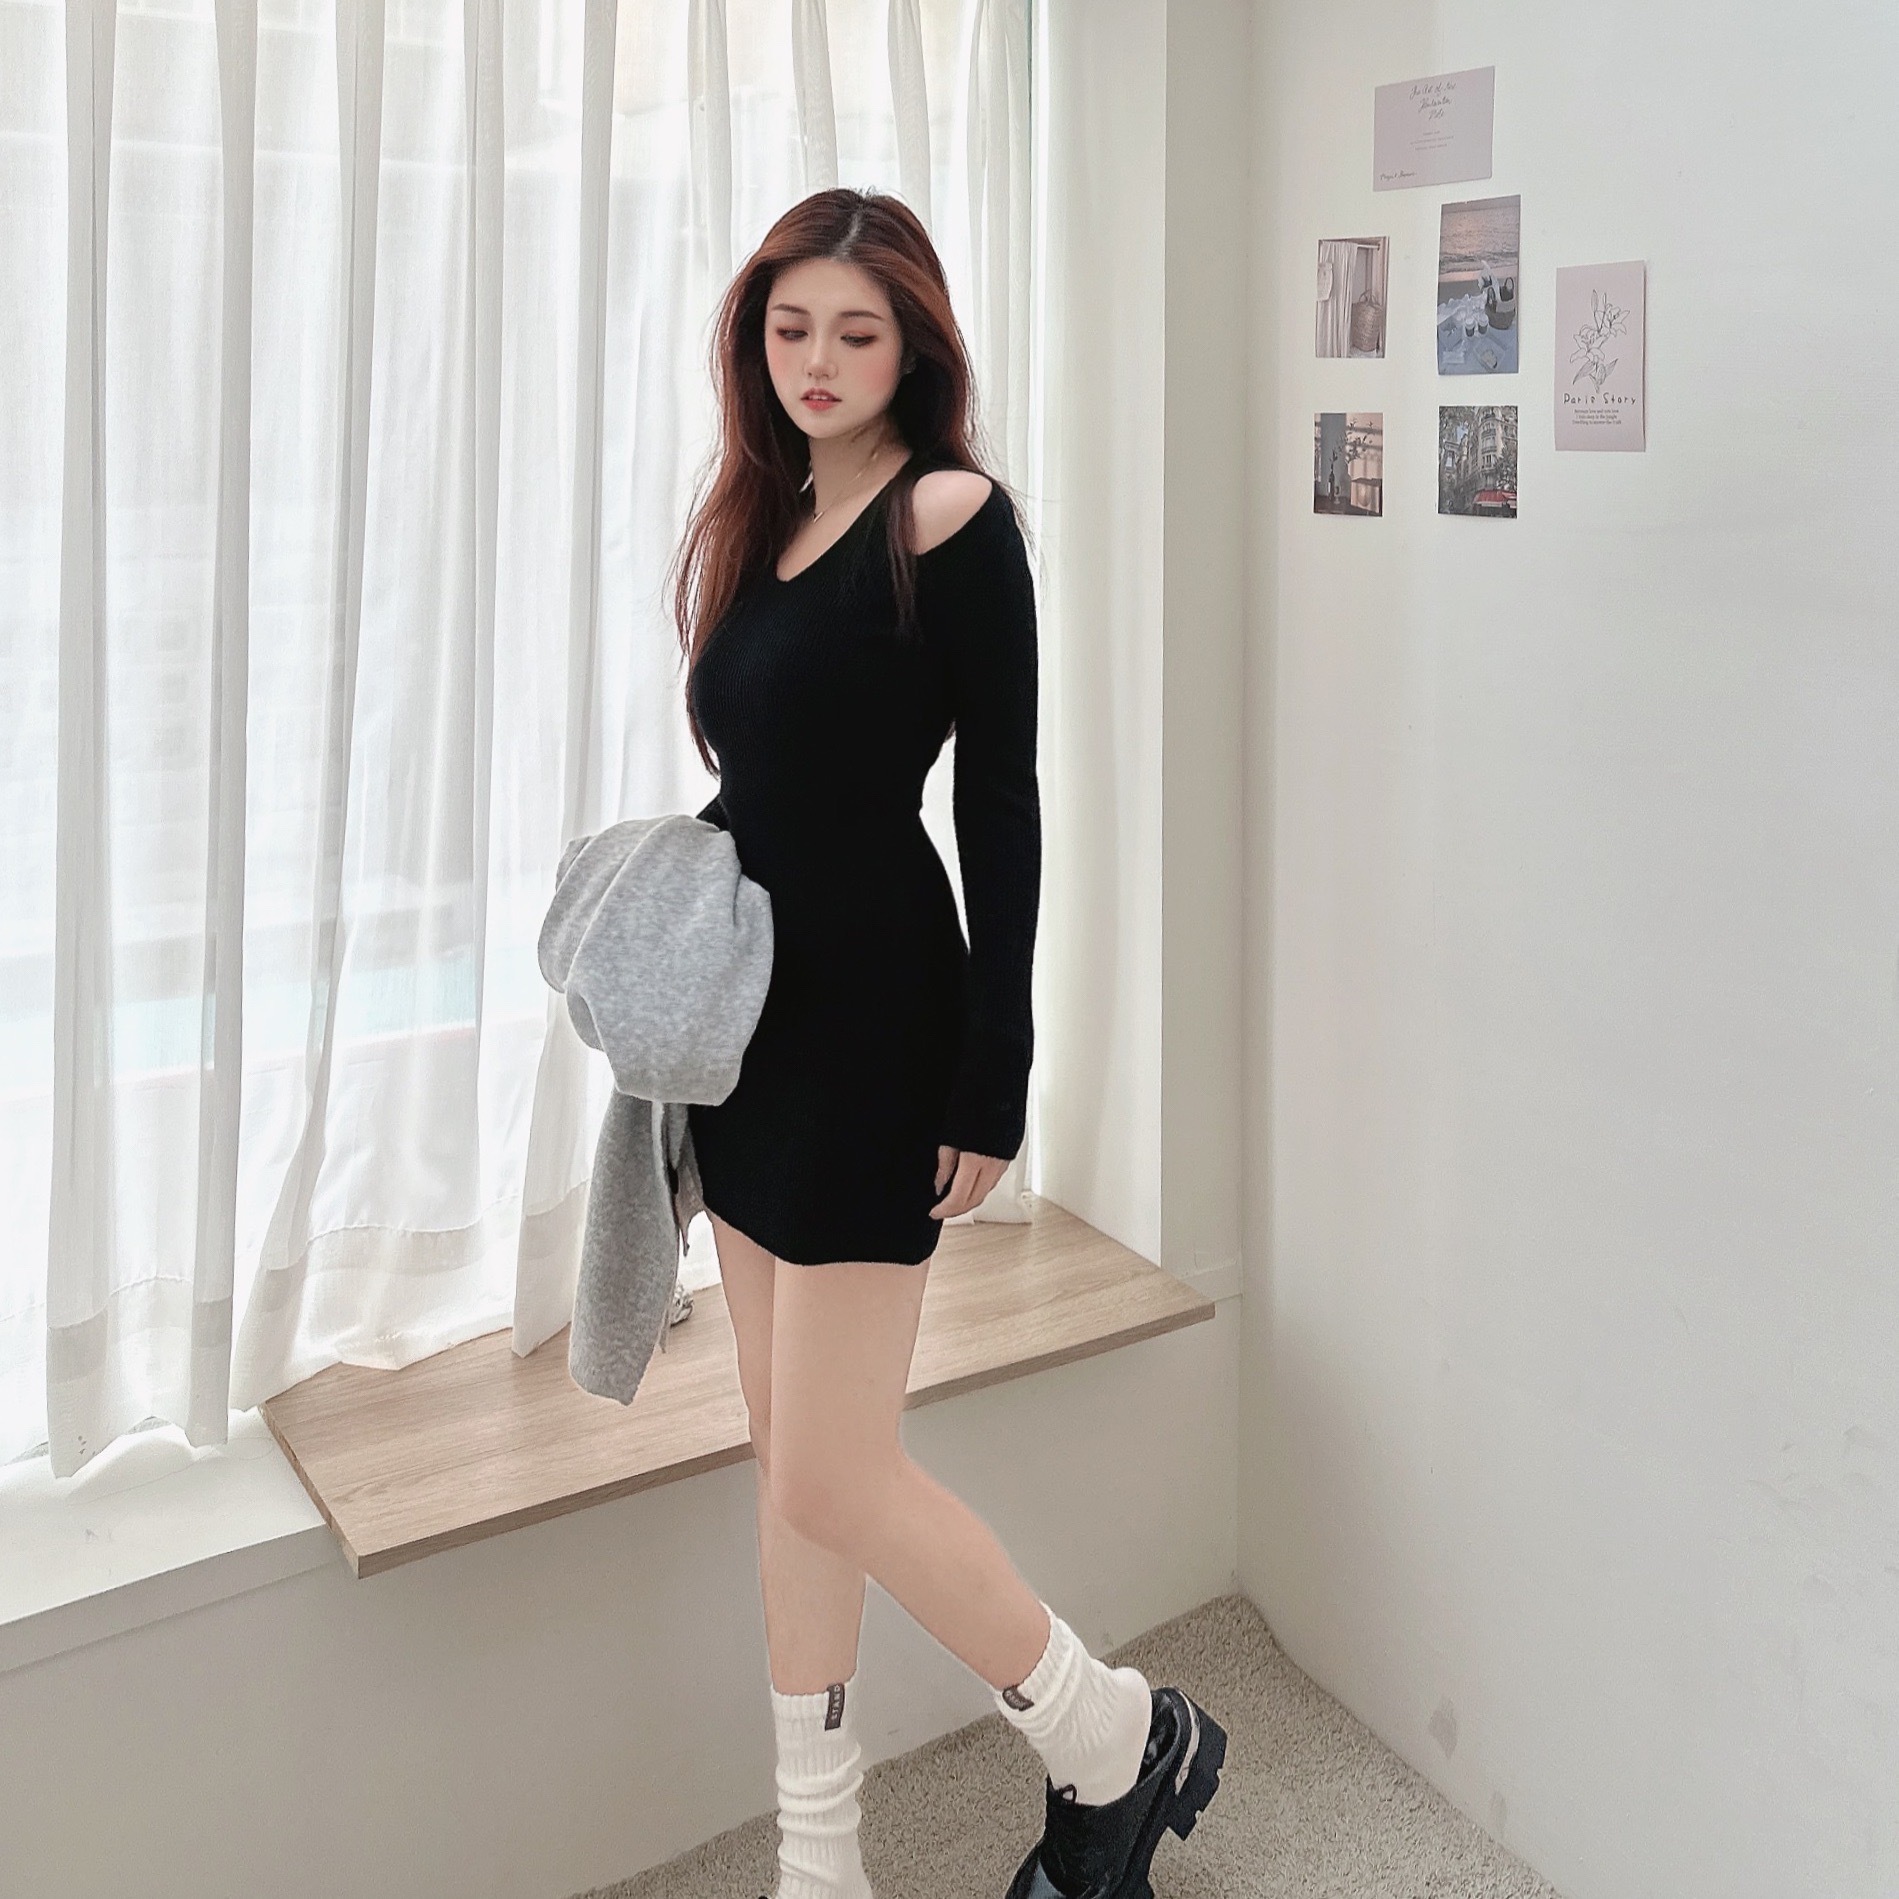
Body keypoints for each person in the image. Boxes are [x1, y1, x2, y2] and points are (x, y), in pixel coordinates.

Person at [668, 188, 1225, 1899]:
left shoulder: (949, 516)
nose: (820, 361)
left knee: (839, 1470)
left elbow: (1001, 805)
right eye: (791, 329)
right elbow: (767, 780)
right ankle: (820, 1862)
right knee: (791, 1469)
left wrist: (998, 1069)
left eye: (857, 331)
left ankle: (1112, 1735)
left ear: (914, 345)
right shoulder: (768, 513)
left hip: (877, 1028)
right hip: (752, 1036)